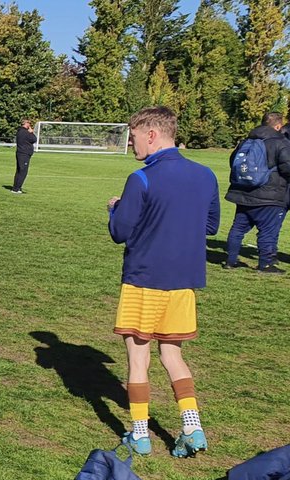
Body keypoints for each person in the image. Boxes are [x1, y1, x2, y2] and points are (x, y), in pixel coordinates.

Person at [107, 106, 219, 459]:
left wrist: (116, 208)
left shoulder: (141, 179)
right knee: (172, 355)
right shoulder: (206, 175)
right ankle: (192, 427)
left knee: (138, 357)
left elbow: (119, 232)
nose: (132, 143)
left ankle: (140, 434)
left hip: (144, 278)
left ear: (152, 134)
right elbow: (210, 225)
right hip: (183, 283)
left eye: (134, 135)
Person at [223, 111, 290, 273]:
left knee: (238, 228)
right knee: (267, 230)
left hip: (244, 193)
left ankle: (230, 261)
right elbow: (287, 166)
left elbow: (234, 161)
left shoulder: (247, 139)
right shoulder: (280, 142)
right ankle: (266, 263)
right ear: (278, 126)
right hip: (270, 194)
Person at [12, 119, 35, 194]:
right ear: (26, 124)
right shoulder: (25, 132)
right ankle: (17, 188)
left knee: (19, 170)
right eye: (29, 123)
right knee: (23, 171)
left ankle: (16, 187)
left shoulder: (19, 131)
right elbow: (33, 139)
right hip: (24, 153)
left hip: (20, 152)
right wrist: (31, 133)